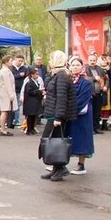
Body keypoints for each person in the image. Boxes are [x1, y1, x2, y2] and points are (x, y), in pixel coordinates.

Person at [40, 51, 77, 181]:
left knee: (55, 142)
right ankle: (56, 169)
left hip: (57, 115)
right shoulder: (58, 74)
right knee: (52, 140)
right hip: (53, 112)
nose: (49, 61)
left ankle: (61, 168)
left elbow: (62, 98)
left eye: (51, 59)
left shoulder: (61, 76)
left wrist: (58, 118)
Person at [67, 57, 95, 175]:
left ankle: (81, 164)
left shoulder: (86, 82)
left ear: (82, 67)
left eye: (77, 65)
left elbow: (82, 99)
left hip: (82, 115)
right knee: (68, 138)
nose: (75, 67)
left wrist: (69, 109)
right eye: (73, 65)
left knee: (82, 138)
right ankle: (60, 163)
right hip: (70, 114)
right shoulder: (68, 80)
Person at [85, 52, 108, 133]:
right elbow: (85, 78)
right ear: (88, 60)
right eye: (91, 60)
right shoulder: (85, 69)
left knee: (97, 111)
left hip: (99, 93)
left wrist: (105, 86)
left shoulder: (100, 69)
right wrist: (94, 78)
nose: (92, 62)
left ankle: (96, 128)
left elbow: (106, 78)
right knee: (90, 111)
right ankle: (90, 129)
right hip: (90, 93)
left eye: (94, 60)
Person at [0, 55, 17, 136]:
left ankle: (3, 129)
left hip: (5, 93)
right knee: (4, 111)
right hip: (5, 94)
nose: (12, 62)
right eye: (11, 61)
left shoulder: (6, 70)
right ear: (6, 62)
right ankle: (2, 129)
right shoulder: (5, 71)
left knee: (5, 111)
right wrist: (11, 95)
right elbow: (8, 84)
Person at [9, 55, 29, 129]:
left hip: (21, 90)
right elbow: (10, 77)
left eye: (21, 61)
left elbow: (27, 77)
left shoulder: (24, 68)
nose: (20, 62)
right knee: (13, 106)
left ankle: (17, 120)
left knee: (19, 106)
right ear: (15, 60)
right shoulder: (11, 68)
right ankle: (12, 120)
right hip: (13, 89)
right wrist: (19, 75)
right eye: (19, 60)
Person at [21, 67, 43, 135]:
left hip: (34, 102)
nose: (37, 76)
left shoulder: (36, 82)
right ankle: (29, 129)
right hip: (30, 103)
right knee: (30, 117)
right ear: (32, 75)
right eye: (36, 74)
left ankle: (32, 128)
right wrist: (39, 91)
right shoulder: (29, 83)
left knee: (33, 116)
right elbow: (30, 92)